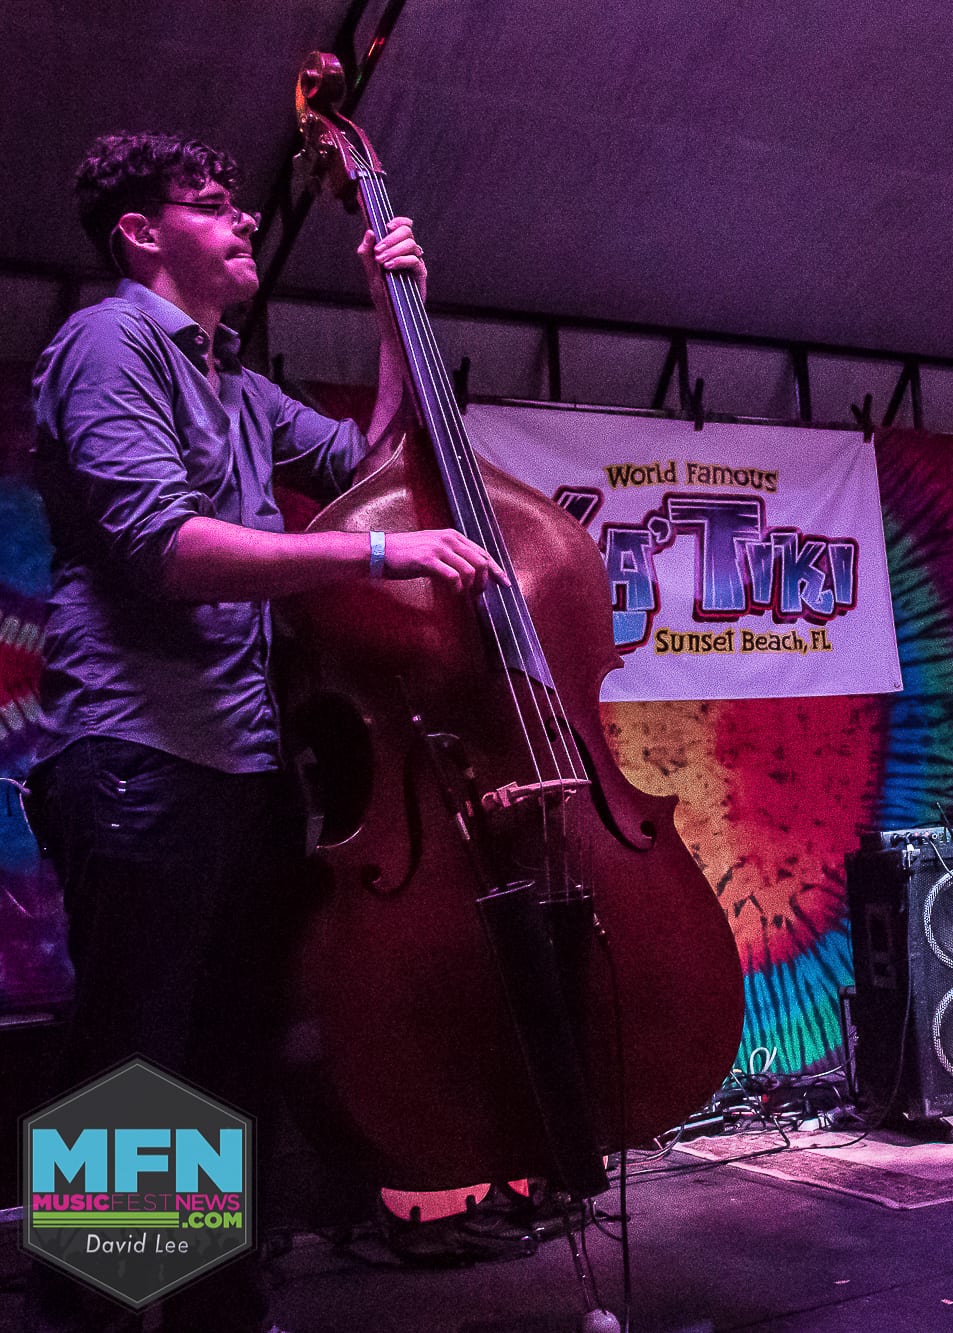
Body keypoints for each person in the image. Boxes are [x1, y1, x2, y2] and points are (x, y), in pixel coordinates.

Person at [24, 131, 504, 1333]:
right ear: (142, 234)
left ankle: (213, 1313)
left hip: (237, 764)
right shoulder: (110, 343)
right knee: (135, 1069)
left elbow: (374, 468)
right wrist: (377, 554)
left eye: (240, 203)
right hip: (138, 755)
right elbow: (167, 547)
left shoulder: (232, 380)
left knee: (226, 1056)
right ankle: (88, 1320)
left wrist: (395, 316)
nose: (243, 219)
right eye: (210, 203)